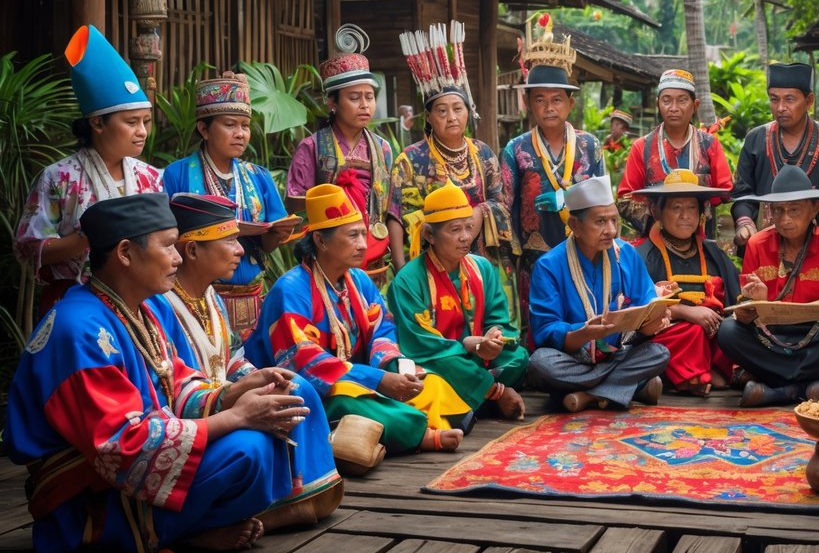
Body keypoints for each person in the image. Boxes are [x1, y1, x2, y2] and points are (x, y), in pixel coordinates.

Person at [6, 194, 310, 551]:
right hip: (85, 495)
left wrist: (236, 391)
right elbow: (122, 445)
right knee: (249, 450)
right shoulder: (79, 329)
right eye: (168, 245)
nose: (179, 257)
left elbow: (176, 383)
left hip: (130, 465)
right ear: (124, 253)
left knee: (269, 431)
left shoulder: (138, 309)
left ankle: (187, 531)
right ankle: (151, 534)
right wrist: (238, 417)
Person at [147, 193, 342, 528]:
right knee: (275, 410)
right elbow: (167, 388)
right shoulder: (159, 306)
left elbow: (232, 358)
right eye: (230, 240)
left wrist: (261, 377)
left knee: (295, 387)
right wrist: (235, 396)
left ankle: (298, 492)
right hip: (194, 415)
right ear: (192, 250)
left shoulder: (210, 296)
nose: (241, 250)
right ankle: (275, 501)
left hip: (221, 398)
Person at [245, 183, 471, 470]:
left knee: (429, 380)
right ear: (321, 241)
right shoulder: (290, 290)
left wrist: (395, 368)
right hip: (313, 392)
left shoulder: (359, 281)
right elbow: (306, 364)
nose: (364, 244)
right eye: (353, 235)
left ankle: (417, 419)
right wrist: (378, 381)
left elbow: (383, 330)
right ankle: (421, 434)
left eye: (363, 234)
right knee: (352, 402)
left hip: (359, 376)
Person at [15, 25, 161, 310]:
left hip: (141, 302)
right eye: (131, 122)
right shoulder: (58, 178)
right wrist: (87, 238)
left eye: (146, 120)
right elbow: (29, 248)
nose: (142, 131)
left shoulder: (150, 177)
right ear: (97, 123)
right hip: (75, 302)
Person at [161, 72, 299, 338]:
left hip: (253, 295)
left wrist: (277, 233)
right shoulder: (176, 174)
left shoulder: (259, 176)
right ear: (204, 129)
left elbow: (267, 246)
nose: (240, 134)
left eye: (245, 126)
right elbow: (168, 238)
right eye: (230, 124)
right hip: (199, 297)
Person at [719, 165, 819, 407]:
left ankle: (779, 389)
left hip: (817, 336)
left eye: (794, 210)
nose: (785, 220)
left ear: (814, 208)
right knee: (727, 332)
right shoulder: (756, 244)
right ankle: (804, 386)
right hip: (769, 336)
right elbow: (744, 309)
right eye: (778, 211)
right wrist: (755, 303)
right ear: (770, 212)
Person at [526, 176, 671, 412]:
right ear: (575, 225)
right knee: (541, 364)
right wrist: (582, 333)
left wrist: (657, 313)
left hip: (618, 354)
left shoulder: (626, 254)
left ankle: (587, 396)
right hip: (573, 358)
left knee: (659, 353)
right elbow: (545, 331)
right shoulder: (549, 266)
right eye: (601, 222)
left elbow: (646, 308)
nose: (611, 231)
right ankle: (624, 386)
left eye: (614, 220)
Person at [387, 183, 529, 420]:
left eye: (469, 228)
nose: (465, 237)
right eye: (455, 230)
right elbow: (421, 345)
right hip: (441, 358)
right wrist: (467, 345)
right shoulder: (408, 281)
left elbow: (499, 320)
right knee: (441, 368)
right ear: (429, 235)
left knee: (519, 357)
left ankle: (471, 397)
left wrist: (493, 337)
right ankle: (490, 393)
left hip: (477, 357)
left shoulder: (481, 267)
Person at [501, 18, 604, 342]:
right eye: (540, 99)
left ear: (571, 103)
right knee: (541, 318)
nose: (549, 107)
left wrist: (569, 199)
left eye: (557, 99)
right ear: (528, 104)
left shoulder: (589, 145)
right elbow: (505, 205)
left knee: (586, 313)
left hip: (585, 248)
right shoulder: (516, 149)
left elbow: (603, 196)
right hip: (536, 255)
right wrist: (511, 257)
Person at [389, 28, 509, 272]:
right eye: (442, 111)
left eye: (458, 108)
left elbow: (501, 201)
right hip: (428, 262)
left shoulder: (482, 152)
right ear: (429, 117)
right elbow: (396, 214)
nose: (451, 117)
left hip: (480, 261)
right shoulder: (410, 159)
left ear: (468, 112)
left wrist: (476, 214)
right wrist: (402, 269)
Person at [287, 49, 396, 282]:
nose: (365, 105)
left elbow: (391, 205)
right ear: (332, 102)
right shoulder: (312, 147)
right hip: (327, 258)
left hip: (373, 253)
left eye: (369, 97)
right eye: (354, 98)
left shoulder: (383, 149)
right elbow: (296, 204)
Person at [634, 169, 741, 395]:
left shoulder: (713, 253)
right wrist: (684, 312)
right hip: (671, 335)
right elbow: (636, 315)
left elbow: (735, 301)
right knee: (690, 333)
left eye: (692, 207)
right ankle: (694, 377)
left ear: (702, 213)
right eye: (676, 207)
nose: (686, 215)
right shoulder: (642, 256)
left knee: (731, 331)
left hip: (712, 332)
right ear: (657, 212)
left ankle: (707, 371)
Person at [731, 62, 819, 251]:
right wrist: (745, 223)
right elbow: (742, 192)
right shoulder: (755, 139)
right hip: (765, 244)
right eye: (774, 99)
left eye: (790, 99)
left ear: (809, 100)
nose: (780, 107)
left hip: (818, 244)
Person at [618, 69, 733, 239]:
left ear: (695, 106)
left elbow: (725, 190)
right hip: (654, 241)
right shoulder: (642, 146)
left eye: (682, 100)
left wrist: (695, 210)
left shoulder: (709, 144)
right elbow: (625, 199)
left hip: (700, 239)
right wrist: (662, 217)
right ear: (658, 104)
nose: (673, 108)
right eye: (667, 101)